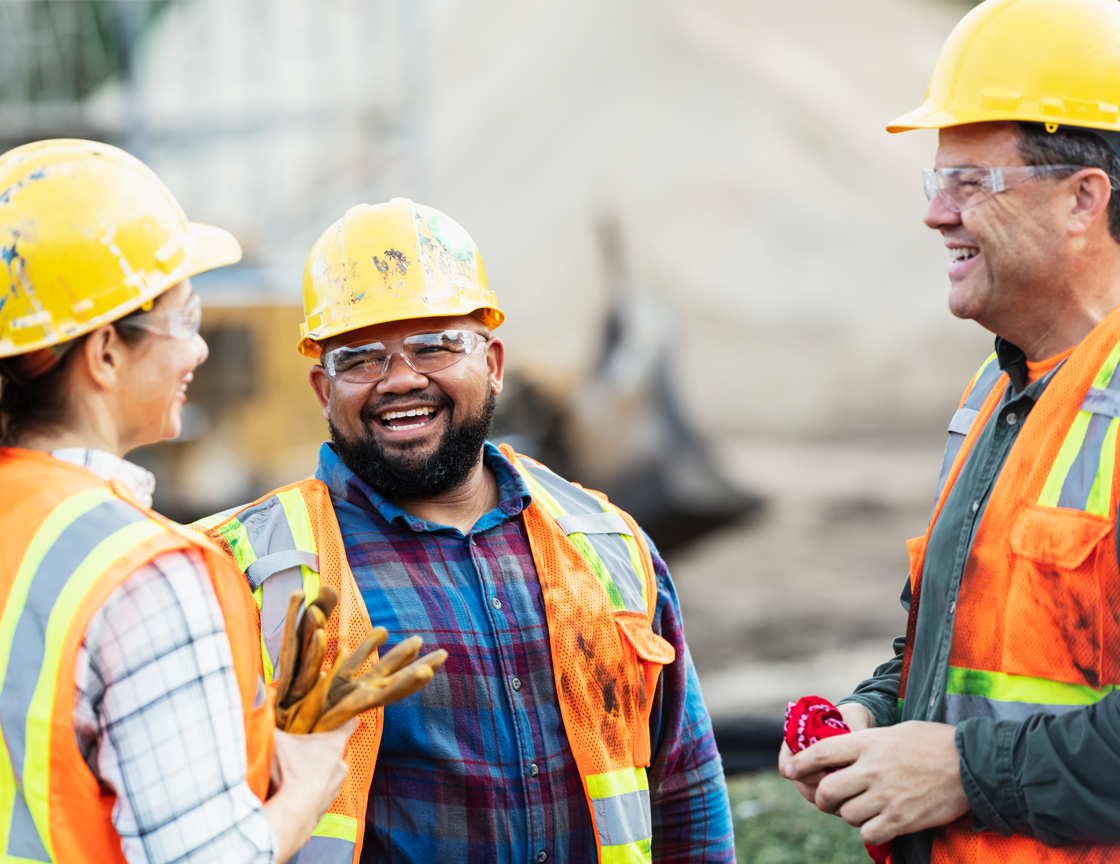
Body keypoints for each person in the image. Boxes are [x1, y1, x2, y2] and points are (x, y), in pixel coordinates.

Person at [200, 198, 734, 863]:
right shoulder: (239, 569)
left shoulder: (606, 541)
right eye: (361, 359)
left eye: (434, 346)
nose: (400, 380)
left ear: (495, 363)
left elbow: (683, 783)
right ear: (320, 390)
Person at [780, 0, 1120, 861]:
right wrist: (876, 713)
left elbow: (974, 746)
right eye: (939, 183)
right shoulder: (998, 391)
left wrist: (967, 771)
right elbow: (967, 655)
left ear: (1085, 199)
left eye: (972, 182)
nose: (938, 215)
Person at [0, 139, 358, 864]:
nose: (197, 352)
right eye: (184, 320)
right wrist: (307, 787)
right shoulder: (141, 573)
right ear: (104, 353)